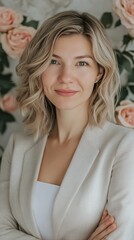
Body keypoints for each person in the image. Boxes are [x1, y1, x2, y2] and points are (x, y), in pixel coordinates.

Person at [0, 10, 134, 240]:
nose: (65, 76)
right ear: (39, 68)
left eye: (81, 63)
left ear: (99, 72)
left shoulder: (124, 146)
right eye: (54, 61)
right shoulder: (19, 144)